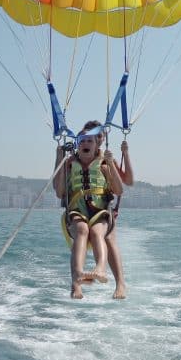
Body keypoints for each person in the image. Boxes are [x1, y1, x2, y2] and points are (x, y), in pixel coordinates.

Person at [53, 124, 123, 299]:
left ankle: (100, 268)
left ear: (96, 144)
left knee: (97, 231)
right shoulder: (69, 165)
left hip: (100, 210)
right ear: (77, 145)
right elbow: (59, 192)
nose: (85, 143)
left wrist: (111, 166)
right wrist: (59, 160)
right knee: (82, 230)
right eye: (81, 140)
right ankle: (77, 281)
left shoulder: (104, 164)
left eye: (89, 140)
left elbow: (119, 190)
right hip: (77, 211)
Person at [81, 121, 133, 299]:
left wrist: (125, 154)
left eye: (101, 136)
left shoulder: (107, 158)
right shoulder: (78, 157)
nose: (99, 139)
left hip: (104, 208)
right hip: (81, 208)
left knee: (107, 238)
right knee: (82, 232)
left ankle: (120, 284)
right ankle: (93, 274)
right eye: (96, 136)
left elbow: (128, 181)